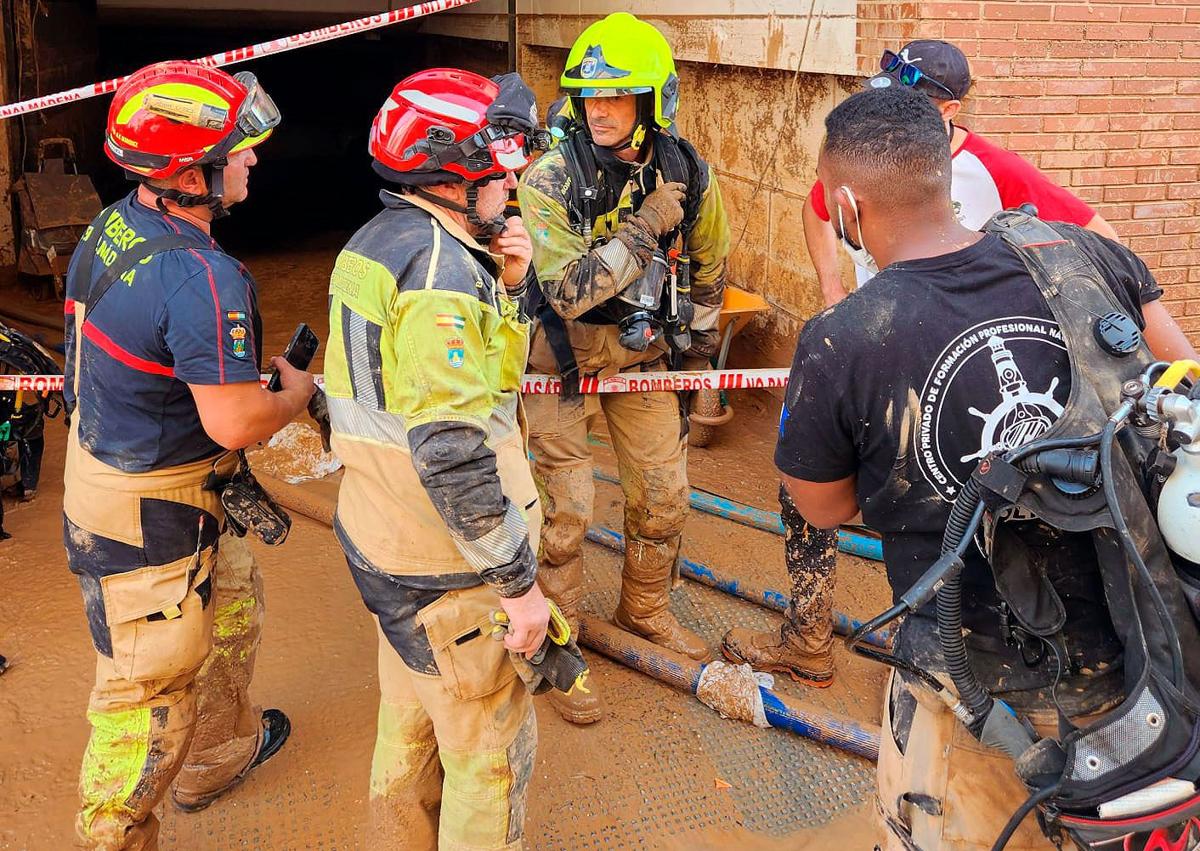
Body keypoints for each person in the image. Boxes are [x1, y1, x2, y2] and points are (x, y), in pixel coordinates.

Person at [774, 86, 1197, 850]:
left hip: (973, 686)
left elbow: (824, 506)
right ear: (945, 166)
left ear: (844, 206)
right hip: (1151, 656)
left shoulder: (843, 339)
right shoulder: (1081, 256)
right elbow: (1182, 377)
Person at [723, 38, 1124, 689]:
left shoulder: (995, 170)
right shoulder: (872, 162)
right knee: (805, 490)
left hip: (960, 368)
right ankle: (809, 633)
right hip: (876, 363)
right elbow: (815, 205)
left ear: (951, 108)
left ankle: (976, 644)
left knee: (962, 502)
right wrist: (832, 287)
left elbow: (1099, 239)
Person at [62, 60, 314, 849]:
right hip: (149, 527)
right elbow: (239, 421)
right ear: (186, 171)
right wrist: (296, 393)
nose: (252, 159)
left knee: (234, 605)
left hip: (151, 477)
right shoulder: (201, 276)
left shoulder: (117, 222)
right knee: (143, 710)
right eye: (238, 149)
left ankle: (216, 754)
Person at [324, 68, 550, 850]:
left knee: (411, 715)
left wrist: (512, 287)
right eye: (498, 164)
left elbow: (466, 388)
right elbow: (453, 450)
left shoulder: (376, 242)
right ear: (451, 174)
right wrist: (518, 587)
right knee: (486, 751)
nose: (512, 177)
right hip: (446, 564)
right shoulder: (442, 276)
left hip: (381, 537)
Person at [517, 12, 731, 725]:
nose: (601, 109)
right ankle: (560, 643)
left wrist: (698, 345)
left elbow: (710, 262)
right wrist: (641, 232)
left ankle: (644, 608)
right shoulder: (550, 176)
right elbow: (567, 291)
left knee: (666, 493)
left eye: (619, 96)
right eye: (590, 96)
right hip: (559, 354)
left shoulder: (685, 167)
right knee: (566, 510)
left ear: (653, 101)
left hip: (641, 352)